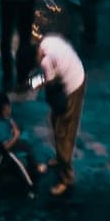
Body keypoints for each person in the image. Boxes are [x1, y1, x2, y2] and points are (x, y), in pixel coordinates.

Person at [33, 10, 85, 186]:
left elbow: (47, 80)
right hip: (71, 74)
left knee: (64, 131)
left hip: (73, 86)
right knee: (55, 121)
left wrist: (31, 83)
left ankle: (67, 176)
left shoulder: (46, 62)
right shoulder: (47, 40)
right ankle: (59, 158)